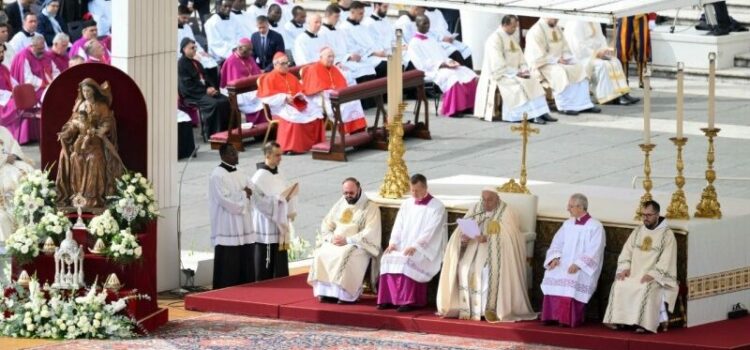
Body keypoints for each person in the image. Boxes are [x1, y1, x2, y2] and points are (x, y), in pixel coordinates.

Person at [436, 188, 537, 322]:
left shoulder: (506, 211)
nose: (486, 203)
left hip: (496, 251)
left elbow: (512, 235)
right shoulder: (477, 208)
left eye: (490, 200)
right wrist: (464, 237)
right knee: (464, 267)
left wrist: (488, 238)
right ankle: (468, 309)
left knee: (484, 271)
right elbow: (463, 227)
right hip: (473, 248)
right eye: (484, 199)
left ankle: (487, 309)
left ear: (497, 199)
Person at [603, 200, 678, 333]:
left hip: (655, 277)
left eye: (649, 215)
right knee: (619, 283)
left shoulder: (667, 235)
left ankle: (643, 324)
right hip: (634, 273)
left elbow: (667, 260)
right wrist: (625, 268)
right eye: (643, 215)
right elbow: (626, 252)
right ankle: (619, 321)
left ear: (657, 214)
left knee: (646, 288)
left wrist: (653, 274)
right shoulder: (638, 231)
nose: (645, 218)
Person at [377, 174, 447, 312]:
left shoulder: (437, 207)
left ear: (425, 188)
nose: (414, 193)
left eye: (417, 190)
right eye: (412, 190)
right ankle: (388, 298)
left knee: (407, 259)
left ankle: (407, 301)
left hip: (424, 249)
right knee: (387, 257)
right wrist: (393, 243)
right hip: (403, 245)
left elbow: (431, 231)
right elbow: (398, 225)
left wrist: (416, 246)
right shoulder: (406, 203)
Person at [308, 177, 381, 304]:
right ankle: (326, 292)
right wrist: (331, 237)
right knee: (320, 253)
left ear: (358, 189)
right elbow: (327, 223)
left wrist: (348, 240)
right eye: (345, 193)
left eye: (351, 193)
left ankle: (345, 295)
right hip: (336, 241)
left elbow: (370, 231)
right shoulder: (341, 203)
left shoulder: (370, 207)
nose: (348, 196)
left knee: (345, 256)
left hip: (357, 244)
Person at [55, 78, 123, 207]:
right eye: (83, 91)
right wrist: (66, 133)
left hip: (96, 142)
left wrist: (101, 130)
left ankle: (93, 197)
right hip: (81, 143)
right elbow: (74, 124)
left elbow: (108, 121)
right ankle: (78, 195)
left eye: (88, 90)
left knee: (94, 160)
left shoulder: (102, 106)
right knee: (75, 157)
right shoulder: (81, 105)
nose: (85, 93)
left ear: (94, 91)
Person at [540, 193, 605, 327]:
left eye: (570, 206)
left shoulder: (595, 226)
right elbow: (556, 243)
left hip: (582, 266)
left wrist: (579, 264)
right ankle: (551, 316)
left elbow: (595, 250)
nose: (567, 208)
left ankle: (566, 318)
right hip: (563, 262)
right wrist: (555, 258)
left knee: (573, 277)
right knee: (552, 272)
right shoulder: (567, 224)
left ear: (580, 207)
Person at [474, 15, 553, 124]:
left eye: (516, 27)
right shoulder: (494, 40)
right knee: (519, 85)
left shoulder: (510, 37)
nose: (515, 29)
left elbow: (520, 56)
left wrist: (524, 69)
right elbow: (497, 63)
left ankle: (541, 112)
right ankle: (529, 115)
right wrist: (515, 73)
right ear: (505, 25)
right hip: (500, 75)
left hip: (515, 72)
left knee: (533, 80)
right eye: (513, 27)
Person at [525, 18, 600, 116]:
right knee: (560, 72)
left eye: (557, 19)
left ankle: (584, 104)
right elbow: (536, 56)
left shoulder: (557, 28)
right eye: (554, 19)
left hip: (560, 61)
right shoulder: (536, 31)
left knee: (579, 67)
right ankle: (565, 106)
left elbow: (565, 47)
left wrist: (566, 58)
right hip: (543, 64)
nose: (557, 21)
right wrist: (556, 60)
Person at [408, 15, 477, 118]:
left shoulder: (431, 39)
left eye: (428, 23)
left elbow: (443, 55)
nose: (427, 26)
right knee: (453, 78)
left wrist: (450, 61)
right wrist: (441, 64)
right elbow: (420, 64)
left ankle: (468, 106)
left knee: (468, 73)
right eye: (424, 23)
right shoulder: (413, 44)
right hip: (432, 71)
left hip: (444, 66)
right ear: (417, 25)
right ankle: (455, 109)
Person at [209, 143, 256, 289]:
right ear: (223, 156)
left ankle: (246, 287)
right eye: (232, 153)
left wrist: (246, 193)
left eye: (236, 152)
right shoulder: (217, 175)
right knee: (229, 260)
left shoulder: (240, 171)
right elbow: (224, 199)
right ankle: (225, 289)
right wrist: (243, 194)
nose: (236, 155)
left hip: (243, 223)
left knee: (244, 256)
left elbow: (251, 186)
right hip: (227, 225)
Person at [257, 52, 324, 154]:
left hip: (295, 104)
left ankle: (315, 143)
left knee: (316, 112)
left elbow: (301, 90)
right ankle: (292, 147)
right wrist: (284, 98)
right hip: (280, 107)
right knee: (295, 116)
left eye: (287, 63)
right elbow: (266, 98)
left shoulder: (291, 77)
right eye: (282, 64)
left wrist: (301, 96)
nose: (286, 66)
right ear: (275, 65)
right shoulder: (269, 78)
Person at [564, 20, 639, 106]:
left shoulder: (594, 20)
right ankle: (607, 97)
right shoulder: (575, 22)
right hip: (583, 58)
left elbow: (601, 38)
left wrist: (605, 50)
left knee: (615, 61)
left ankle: (622, 93)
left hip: (596, 54)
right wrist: (596, 53)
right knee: (603, 65)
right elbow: (577, 47)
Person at [249, 141, 295, 281]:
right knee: (266, 257)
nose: (280, 158)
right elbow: (258, 202)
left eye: (280, 155)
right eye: (277, 155)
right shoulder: (258, 177)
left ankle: (281, 279)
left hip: (280, 223)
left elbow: (285, 192)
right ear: (267, 155)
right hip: (266, 222)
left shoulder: (279, 173)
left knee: (280, 258)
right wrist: (278, 203)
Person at [302, 47, 366, 134]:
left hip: (337, 96)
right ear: (321, 57)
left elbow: (342, 84)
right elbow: (314, 89)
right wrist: (332, 93)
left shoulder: (334, 68)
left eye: (333, 57)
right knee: (344, 106)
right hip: (324, 99)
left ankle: (358, 131)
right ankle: (347, 131)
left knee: (355, 102)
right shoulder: (314, 69)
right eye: (329, 57)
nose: (332, 59)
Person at [178, 37, 230, 141]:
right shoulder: (181, 64)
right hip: (193, 94)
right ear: (184, 49)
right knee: (214, 104)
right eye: (192, 48)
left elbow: (206, 78)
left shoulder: (196, 63)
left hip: (205, 91)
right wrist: (205, 90)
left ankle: (226, 131)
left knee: (225, 100)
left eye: (195, 47)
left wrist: (211, 88)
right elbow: (187, 84)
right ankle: (212, 132)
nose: (194, 50)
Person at [318, 5, 374, 83]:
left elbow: (346, 48)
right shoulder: (321, 33)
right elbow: (324, 53)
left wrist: (351, 56)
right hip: (335, 62)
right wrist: (337, 62)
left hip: (346, 59)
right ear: (328, 16)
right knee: (350, 73)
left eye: (339, 17)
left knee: (368, 67)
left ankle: (368, 94)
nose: (338, 20)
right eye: (336, 17)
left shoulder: (339, 31)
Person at [0, 125, 35, 249]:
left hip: (9, 165)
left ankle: (27, 213)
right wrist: (4, 158)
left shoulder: (3, 130)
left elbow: (14, 146)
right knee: (9, 183)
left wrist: (13, 155)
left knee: (27, 172)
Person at [338, 1, 387, 80]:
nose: (363, 16)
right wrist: (373, 53)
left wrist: (378, 52)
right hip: (357, 59)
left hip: (369, 57)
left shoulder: (363, 27)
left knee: (392, 62)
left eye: (363, 13)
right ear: (352, 12)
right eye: (360, 13)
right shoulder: (344, 28)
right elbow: (351, 48)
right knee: (383, 65)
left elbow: (371, 43)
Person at [219, 37, 263, 125]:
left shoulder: (249, 57)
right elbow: (232, 82)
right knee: (258, 99)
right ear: (239, 48)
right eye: (248, 50)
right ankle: (255, 126)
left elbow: (257, 73)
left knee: (264, 96)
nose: (251, 53)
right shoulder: (231, 61)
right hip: (240, 92)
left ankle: (263, 127)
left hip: (252, 88)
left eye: (251, 50)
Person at [10, 34, 58, 106]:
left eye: (43, 48)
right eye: (39, 49)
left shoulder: (46, 54)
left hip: (49, 85)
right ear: (32, 46)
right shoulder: (23, 56)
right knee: (52, 97)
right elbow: (27, 78)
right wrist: (44, 84)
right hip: (35, 89)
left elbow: (55, 71)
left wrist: (55, 82)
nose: (42, 51)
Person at [178, 5, 219, 87]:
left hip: (193, 52)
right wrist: (191, 56)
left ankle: (215, 88)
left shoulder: (187, 27)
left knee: (211, 62)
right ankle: (206, 88)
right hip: (182, 56)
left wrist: (202, 52)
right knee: (200, 64)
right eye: (184, 18)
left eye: (187, 18)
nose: (186, 20)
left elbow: (194, 42)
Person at [615, 14, 655, 88]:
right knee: (624, 49)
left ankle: (643, 80)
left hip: (641, 13)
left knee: (643, 49)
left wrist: (652, 18)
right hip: (625, 14)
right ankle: (624, 80)